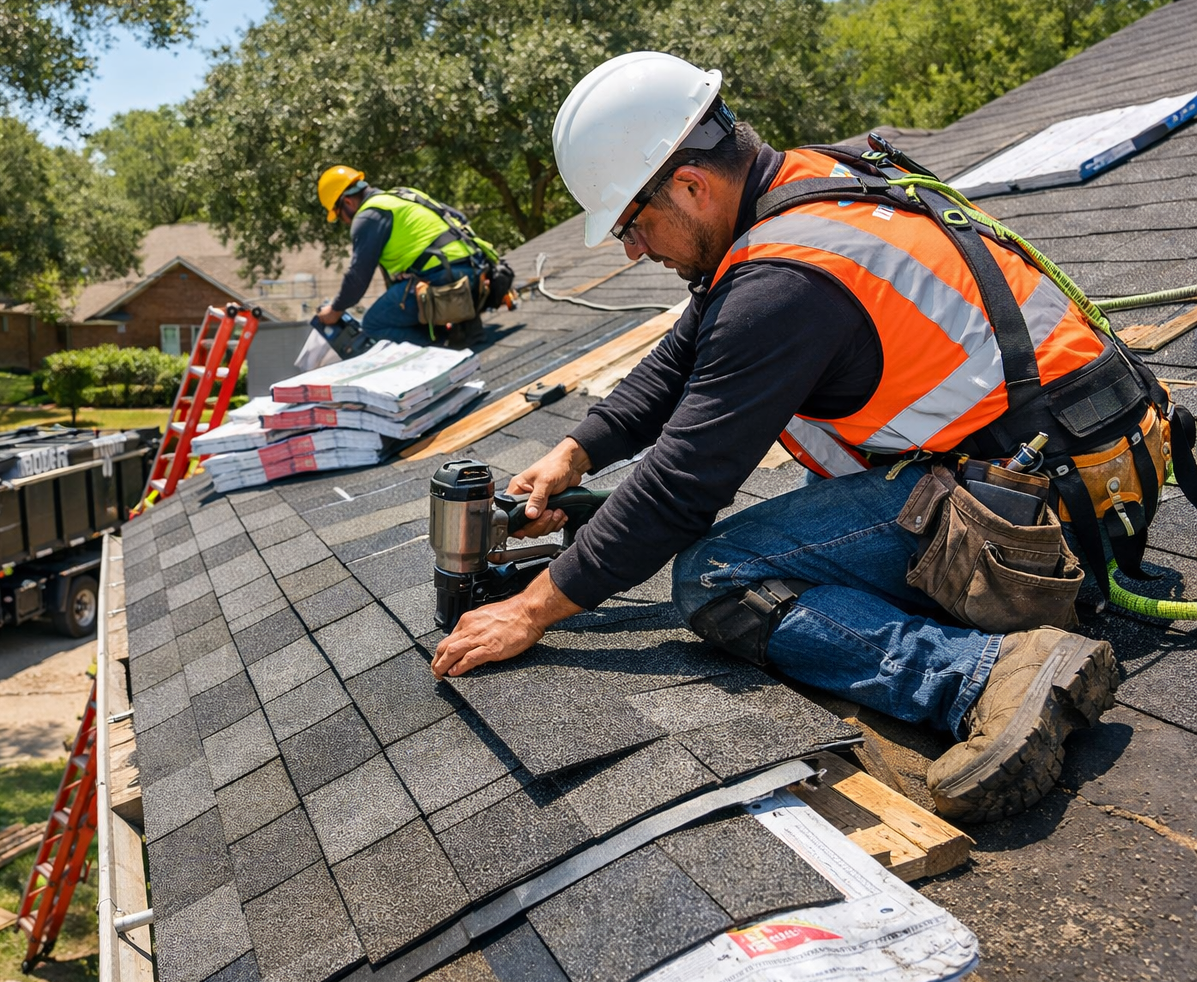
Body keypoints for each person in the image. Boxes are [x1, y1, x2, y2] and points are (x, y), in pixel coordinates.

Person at [429, 52, 1188, 822]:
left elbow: (681, 489)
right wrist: (576, 451)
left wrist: (530, 609)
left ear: (690, 185)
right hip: (1088, 463)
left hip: (1038, 528)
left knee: (716, 574)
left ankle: (988, 674)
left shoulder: (782, 284)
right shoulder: (809, 183)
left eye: (632, 223)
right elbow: (682, 355)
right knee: (781, 533)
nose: (632, 250)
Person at [315, 166, 501, 345]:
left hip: (449, 283)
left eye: (339, 215)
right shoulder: (402, 195)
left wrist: (335, 310)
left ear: (347, 202)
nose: (345, 221)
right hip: (478, 273)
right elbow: (459, 218)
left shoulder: (367, 217)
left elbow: (358, 277)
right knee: (403, 291)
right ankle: (459, 329)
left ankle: (442, 347)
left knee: (373, 324)